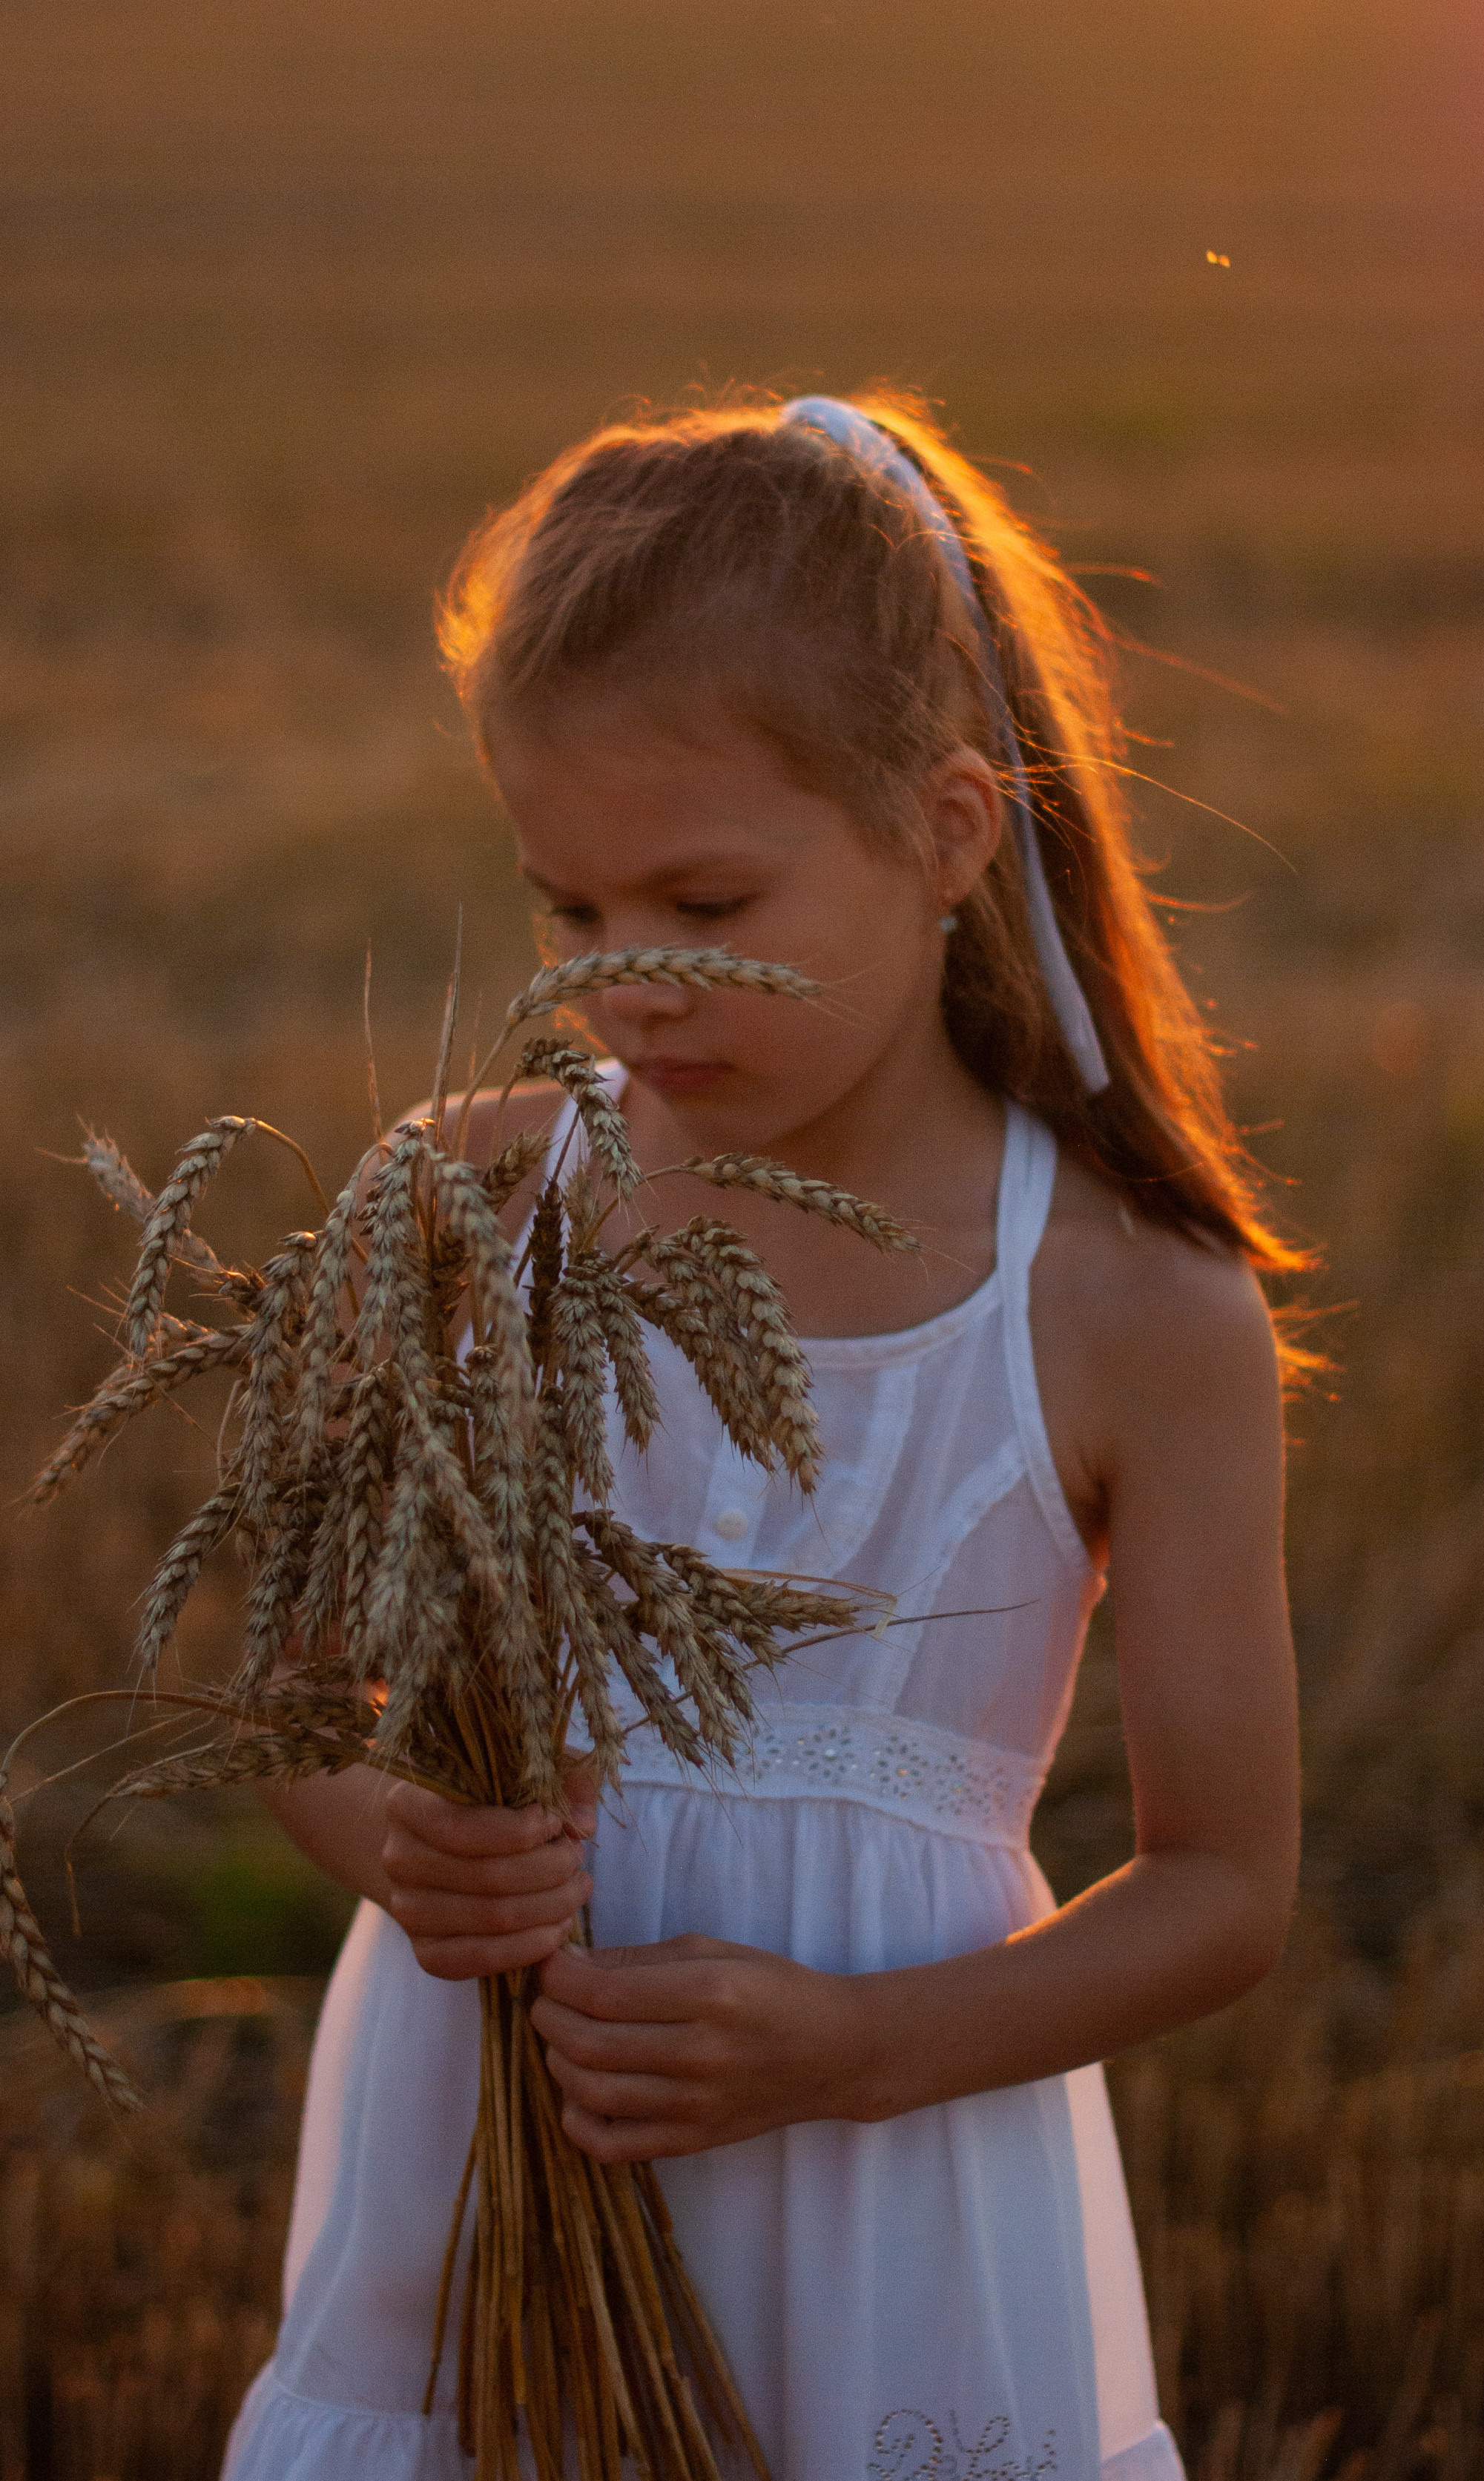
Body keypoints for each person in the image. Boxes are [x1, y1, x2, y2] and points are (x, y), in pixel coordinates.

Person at [223, 393, 1303, 2481]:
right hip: (484, 2144)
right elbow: (286, 1703)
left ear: (951, 828)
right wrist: (405, 1845)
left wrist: (864, 2051)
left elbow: (1225, 1884)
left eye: (708, 904)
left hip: (895, 2183)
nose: (632, 981)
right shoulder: (458, 1201)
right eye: (568, 911)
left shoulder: (1126, 1306)